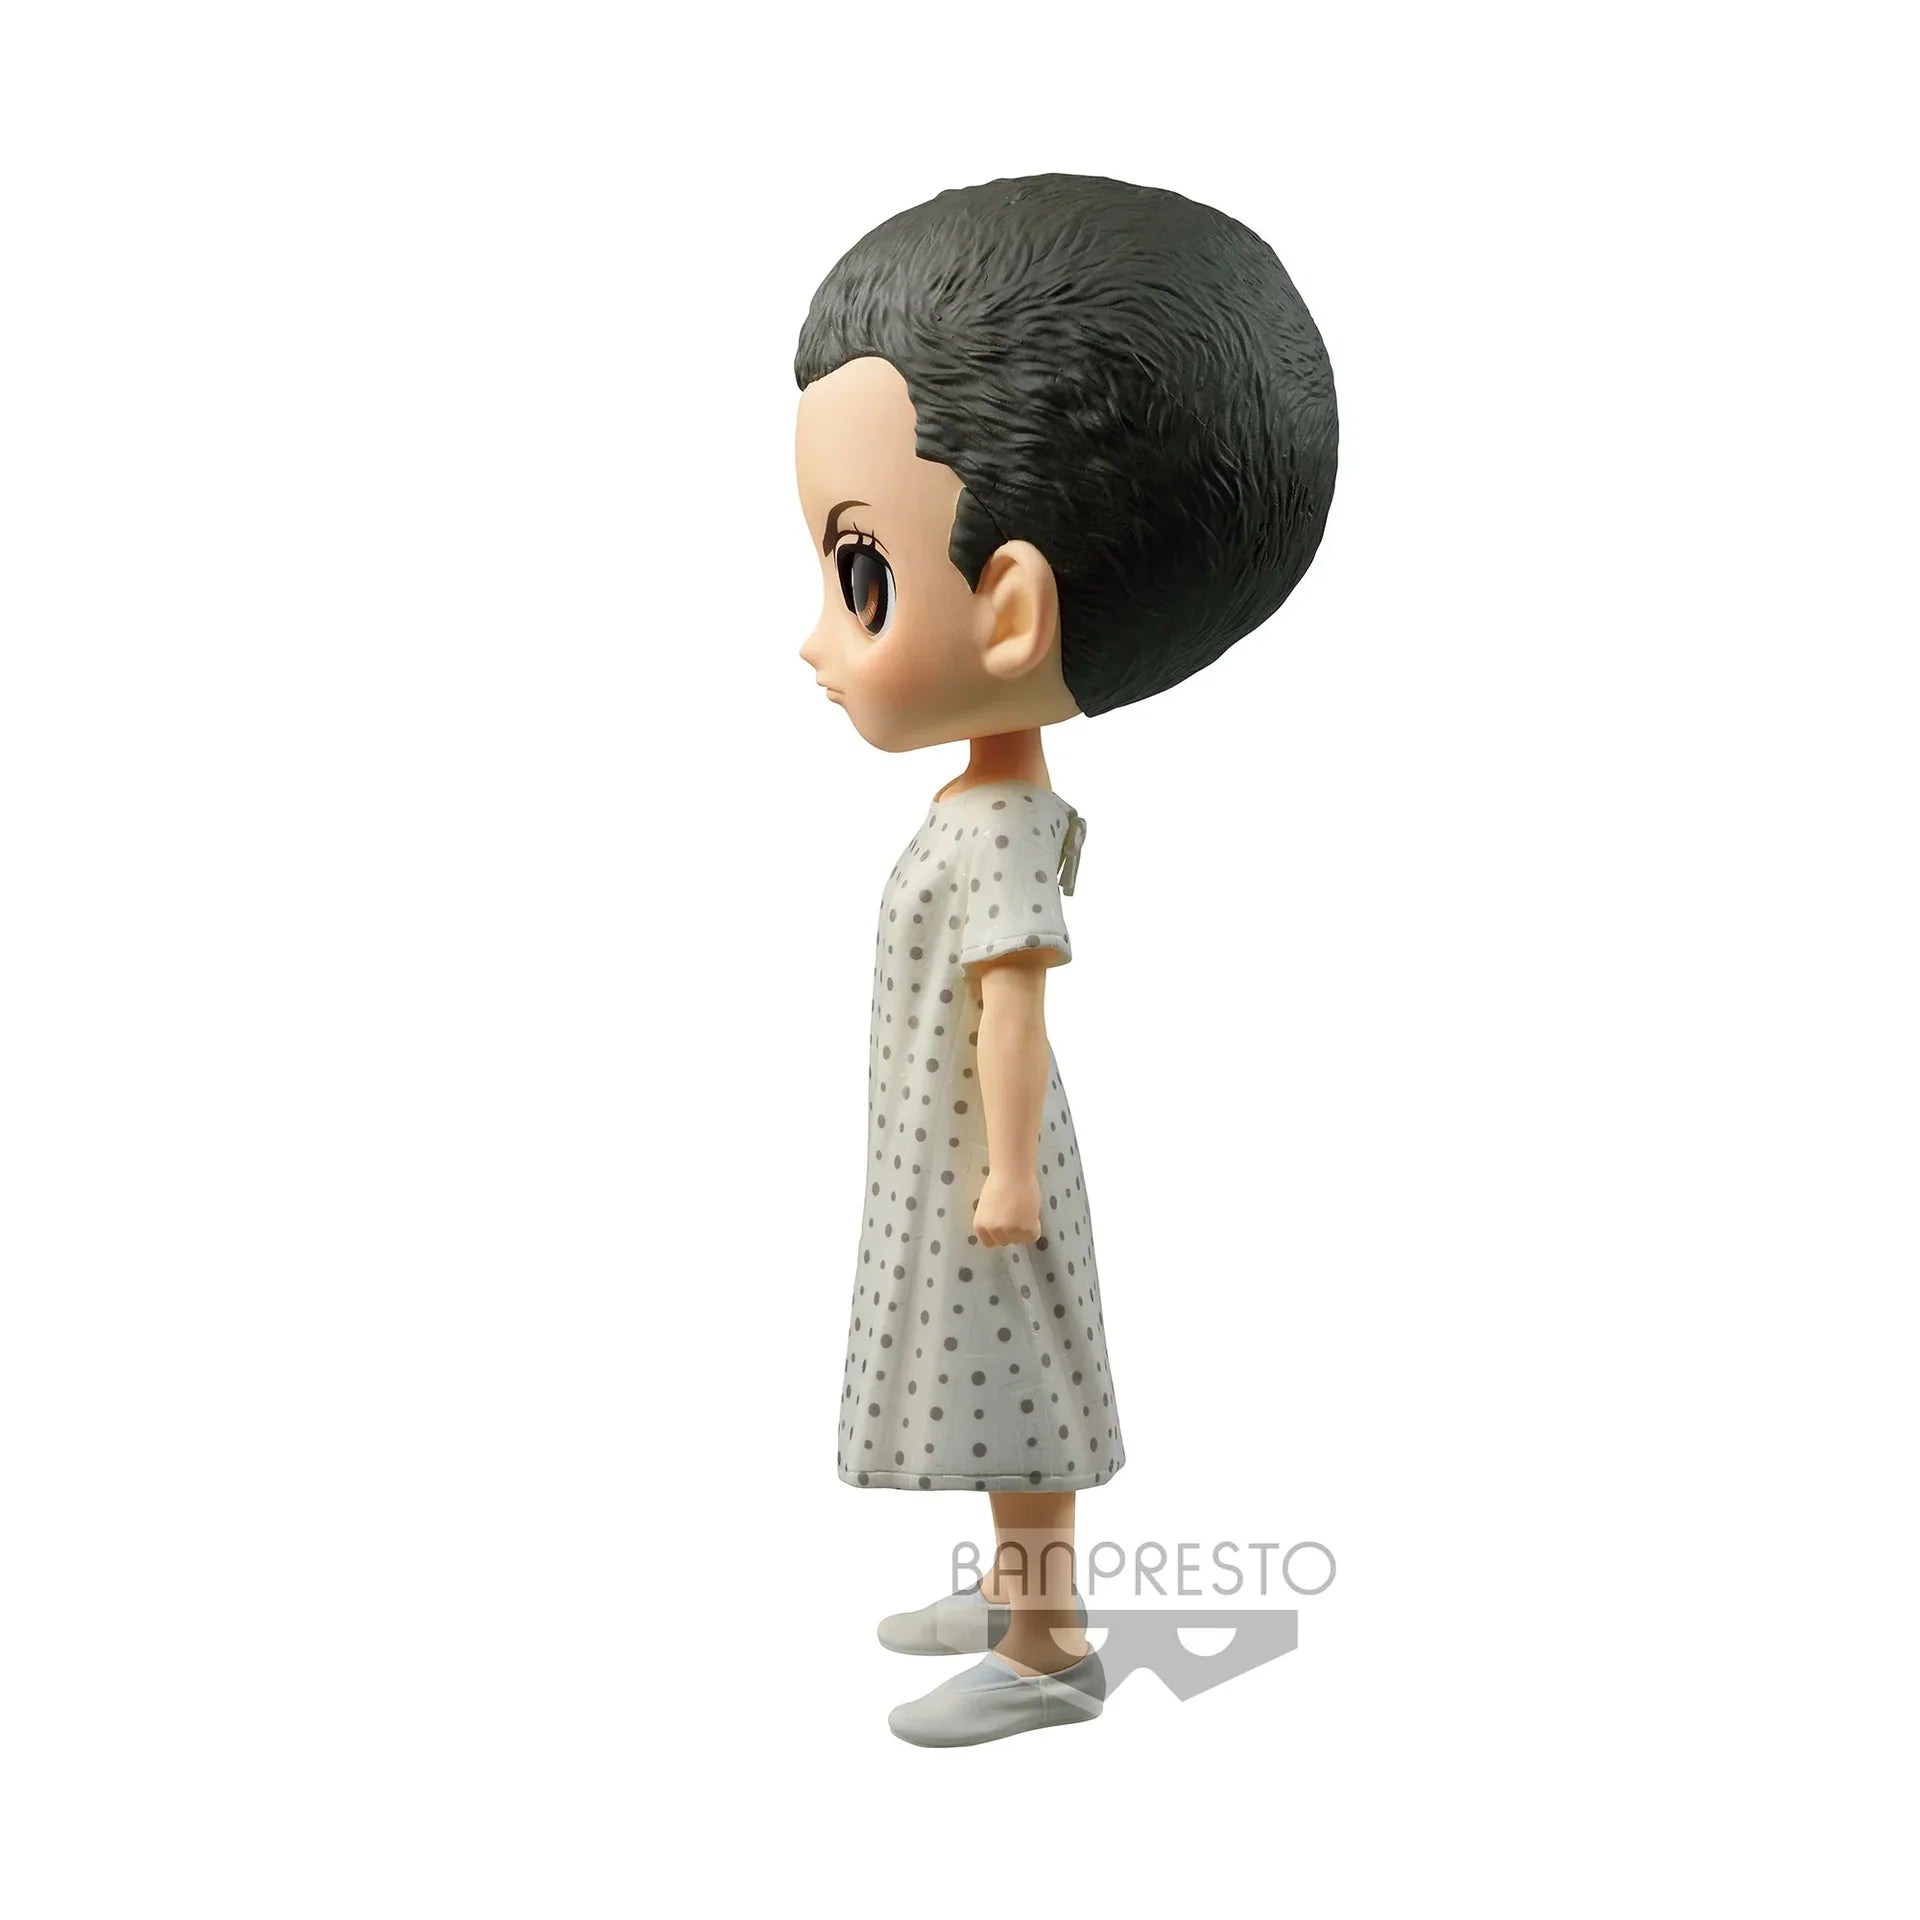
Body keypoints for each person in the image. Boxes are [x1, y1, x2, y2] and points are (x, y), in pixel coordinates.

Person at [793, 173, 1337, 1745]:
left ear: (1013, 609)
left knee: (1011, 1390)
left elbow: (1013, 1001)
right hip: (948, 1149)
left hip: (986, 1162)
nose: (818, 639)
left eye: (859, 574)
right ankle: (1013, 1586)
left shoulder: (1003, 832)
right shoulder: (980, 807)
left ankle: (1048, 1647)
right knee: (975, 1380)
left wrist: (1008, 1174)